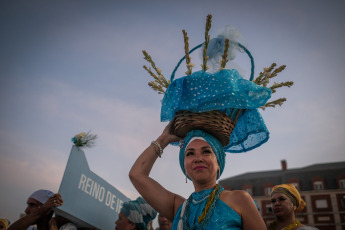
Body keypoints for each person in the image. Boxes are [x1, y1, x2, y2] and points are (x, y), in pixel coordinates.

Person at [129, 124, 267, 229]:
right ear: (184, 167)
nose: (198, 158)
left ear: (218, 163)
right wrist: (163, 139)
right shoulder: (179, 208)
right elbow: (136, 175)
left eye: (206, 151)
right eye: (190, 153)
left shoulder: (240, 199)